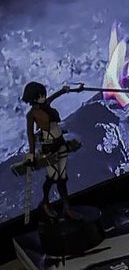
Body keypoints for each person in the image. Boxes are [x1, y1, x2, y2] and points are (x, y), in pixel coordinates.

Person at [21, 81, 83, 218]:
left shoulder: (46, 104)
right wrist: (31, 154)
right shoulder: (31, 114)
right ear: (34, 98)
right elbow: (30, 134)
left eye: (43, 95)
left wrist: (70, 90)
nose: (44, 97)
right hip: (48, 147)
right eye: (40, 96)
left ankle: (66, 207)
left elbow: (57, 95)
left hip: (60, 142)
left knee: (62, 178)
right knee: (53, 177)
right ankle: (45, 202)